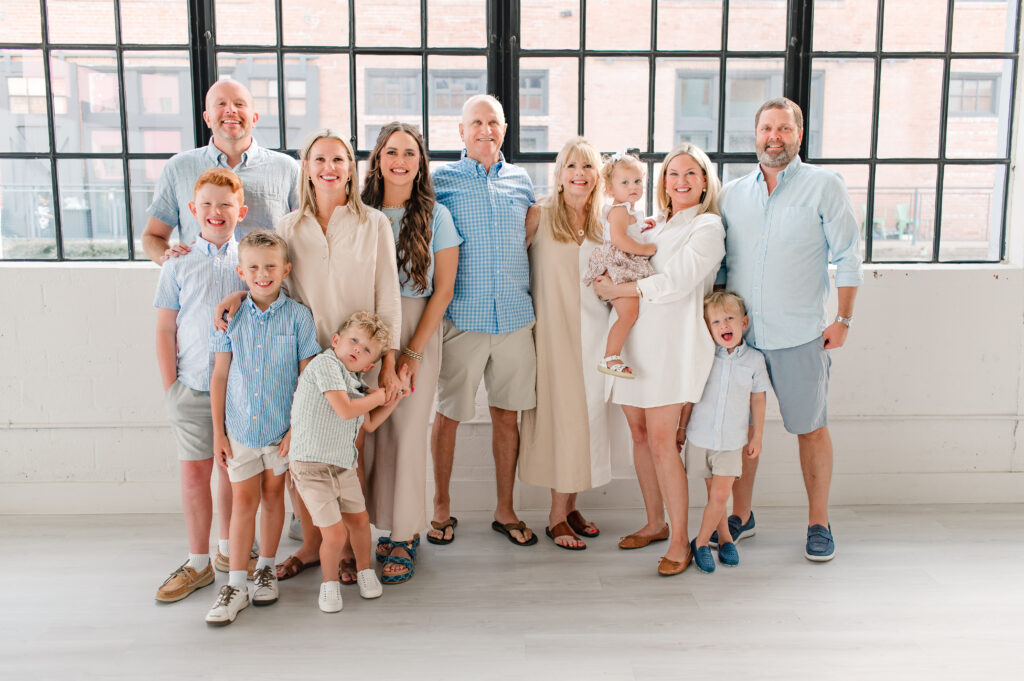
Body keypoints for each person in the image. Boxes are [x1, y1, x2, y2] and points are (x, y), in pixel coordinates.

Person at [717, 97, 862, 562]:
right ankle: (742, 514)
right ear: (755, 134)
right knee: (738, 434)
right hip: (743, 341)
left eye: (783, 128)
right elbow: (717, 260)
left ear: (799, 135)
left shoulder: (824, 186)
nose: (773, 137)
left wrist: (842, 320)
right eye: (766, 129)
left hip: (801, 337)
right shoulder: (732, 193)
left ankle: (819, 522)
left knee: (810, 429)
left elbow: (849, 257)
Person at [259, 129, 402, 585]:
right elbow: (272, 287)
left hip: (356, 360)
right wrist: (236, 301)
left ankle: (341, 548)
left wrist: (390, 362)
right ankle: (313, 544)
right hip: (304, 360)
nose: (328, 167)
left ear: (351, 169)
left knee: (347, 453)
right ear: (306, 167)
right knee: (304, 453)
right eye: (319, 159)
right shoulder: (288, 226)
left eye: (338, 159)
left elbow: (389, 295)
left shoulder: (374, 223)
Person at [593, 142, 725, 576]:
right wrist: (609, 283)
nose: (681, 181)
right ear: (663, 182)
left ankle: (678, 540)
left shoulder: (707, 226)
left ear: (704, 180)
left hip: (673, 343)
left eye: (691, 174)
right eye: (673, 174)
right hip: (635, 339)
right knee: (639, 434)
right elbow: (625, 254)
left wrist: (620, 291)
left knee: (665, 442)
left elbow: (677, 282)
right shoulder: (654, 224)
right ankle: (654, 521)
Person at [430, 95, 538, 546]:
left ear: (505, 128)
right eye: (475, 123)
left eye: (492, 122)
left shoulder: (522, 181)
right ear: (461, 131)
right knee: (450, 414)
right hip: (463, 319)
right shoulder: (441, 182)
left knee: (506, 417)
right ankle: (440, 507)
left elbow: (531, 234)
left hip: (514, 318)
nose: (485, 130)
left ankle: (505, 509)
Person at [518, 137, 631, 550]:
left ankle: (570, 506)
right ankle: (555, 515)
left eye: (587, 167)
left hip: (595, 335)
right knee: (561, 421)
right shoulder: (538, 215)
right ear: (560, 174)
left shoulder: (605, 223)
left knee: (589, 422)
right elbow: (513, 268)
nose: (579, 175)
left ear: (597, 175)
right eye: (571, 167)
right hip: (550, 333)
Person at [360, 123, 461, 583]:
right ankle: (364, 528)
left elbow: (443, 291)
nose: (400, 160)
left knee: (405, 433)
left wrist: (411, 355)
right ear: (378, 158)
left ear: (421, 163)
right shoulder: (358, 210)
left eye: (410, 153)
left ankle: (404, 535)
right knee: (365, 434)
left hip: (417, 328)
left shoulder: (436, 215)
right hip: (363, 331)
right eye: (391, 152)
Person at [205, 230, 321, 626]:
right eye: (253, 267)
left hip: (280, 433)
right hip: (239, 431)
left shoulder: (300, 318)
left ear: (285, 270)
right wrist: (218, 432)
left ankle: (266, 569)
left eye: (271, 266)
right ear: (241, 271)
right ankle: (236, 584)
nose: (262, 274)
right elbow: (219, 376)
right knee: (243, 504)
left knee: (275, 499)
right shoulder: (228, 318)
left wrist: (296, 430)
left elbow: (308, 379)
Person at [152, 169, 250, 603]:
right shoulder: (177, 262)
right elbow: (164, 328)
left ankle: (229, 551)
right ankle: (197, 561)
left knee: (232, 470)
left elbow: (268, 295)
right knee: (195, 473)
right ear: (193, 210)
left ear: (240, 212)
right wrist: (171, 387)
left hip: (239, 389)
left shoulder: (249, 259)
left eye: (225, 205)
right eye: (206, 205)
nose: (216, 212)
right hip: (191, 385)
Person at [289, 311, 410, 612]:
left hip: (342, 466)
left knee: (359, 521)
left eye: (366, 349)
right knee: (334, 533)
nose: (357, 348)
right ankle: (328, 584)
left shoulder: (355, 382)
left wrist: (396, 397)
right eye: (353, 340)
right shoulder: (325, 364)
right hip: (312, 468)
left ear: (369, 365)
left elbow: (367, 424)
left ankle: (365, 570)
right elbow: (345, 410)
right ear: (336, 341)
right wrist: (382, 394)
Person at [141, 78, 300, 263]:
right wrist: (174, 266)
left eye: (239, 104)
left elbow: (306, 232)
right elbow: (153, 236)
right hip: (203, 289)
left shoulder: (286, 168)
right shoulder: (177, 168)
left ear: (254, 118)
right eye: (221, 103)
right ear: (207, 118)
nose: (231, 110)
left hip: (264, 289)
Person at [684, 291, 769, 573]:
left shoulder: (754, 361)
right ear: (708, 328)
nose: (724, 326)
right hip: (700, 437)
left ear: (744, 323)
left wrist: (757, 435)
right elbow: (690, 396)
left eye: (730, 319)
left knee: (721, 497)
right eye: (716, 321)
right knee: (713, 497)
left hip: (731, 442)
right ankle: (726, 539)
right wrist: (681, 429)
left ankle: (700, 543)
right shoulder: (705, 357)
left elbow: (758, 398)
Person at [582, 152, 656, 379]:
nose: (633, 186)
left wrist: (644, 226)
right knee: (628, 314)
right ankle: (611, 356)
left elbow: (627, 231)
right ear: (610, 189)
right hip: (618, 265)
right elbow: (618, 239)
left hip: (622, 265)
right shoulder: (619, 210)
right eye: (625, 182)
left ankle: (613, 355)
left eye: (637, 181)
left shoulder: (627, 211)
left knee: (630, 312)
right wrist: (645, 249)